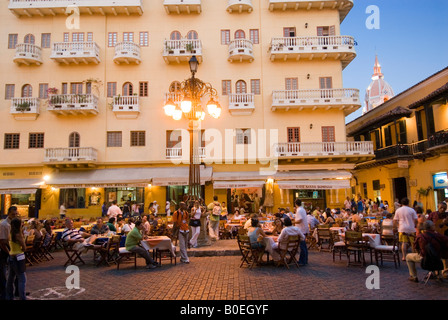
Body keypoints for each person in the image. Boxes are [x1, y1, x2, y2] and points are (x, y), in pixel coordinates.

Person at [6, 218, 27, 300]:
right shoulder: (18, 234)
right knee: (22, 279)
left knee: (10, 278)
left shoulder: (10, 233)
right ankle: (22, 297)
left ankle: (9, 296)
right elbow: (24, 247)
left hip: (11, 255)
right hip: (18, 257)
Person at [0, 206, 18, 300]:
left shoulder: (14, 224)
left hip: (13, 250)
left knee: (14, 273)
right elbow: (2, 242)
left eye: (16, 214)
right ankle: (4, 294)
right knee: (3, 275)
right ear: (8, 213)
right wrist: (9, 253)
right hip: (5, 252)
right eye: (12, 214)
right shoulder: (4, 224)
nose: (14, 216)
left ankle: (16, 291)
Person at [294, 199, 309, 266]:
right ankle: (305, 260)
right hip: (304, 229)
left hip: (301, 230)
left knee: (302, 246)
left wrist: (293, 222)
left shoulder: (299, 210)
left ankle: (302, 261)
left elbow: (300, 220)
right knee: (304, 246)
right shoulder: (302, 209)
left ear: (295, 204)